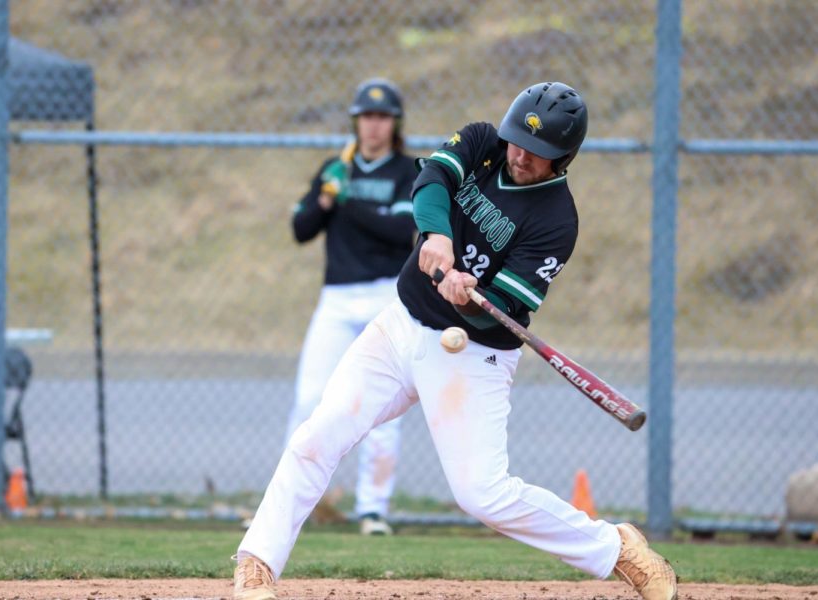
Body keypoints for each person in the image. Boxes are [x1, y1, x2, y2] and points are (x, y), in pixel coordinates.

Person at [233, 82, 678, 600]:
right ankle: (257, 562)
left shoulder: (557, 220)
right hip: (401, 323)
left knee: (483, 495)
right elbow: (432, 179)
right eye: (517, 141)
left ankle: (616, 548)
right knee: (319, 434)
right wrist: (438, 234)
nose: (519, 155)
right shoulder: (483, 142)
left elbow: (508, 311)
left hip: (474, 354)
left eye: (537, 153)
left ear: (564, 158)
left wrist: (470, 296)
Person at [286, 78, 418, 536]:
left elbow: (402, 231)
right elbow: (301, 230)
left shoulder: (407, 170)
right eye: (365, 116)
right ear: (355, 122)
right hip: (337, 298)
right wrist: (324, 198)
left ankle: (372, 509)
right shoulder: (335, 168)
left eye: (381, 117)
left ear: (394, 123)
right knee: (309, 398)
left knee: (378, 406)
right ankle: (290, 505)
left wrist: (347, 201)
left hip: (387, 295)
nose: (373, 125)